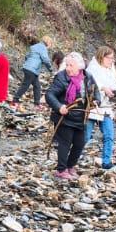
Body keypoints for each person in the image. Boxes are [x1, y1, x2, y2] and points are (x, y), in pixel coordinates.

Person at [46, 52, 98, 180]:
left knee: (80, 143)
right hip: (64, 117)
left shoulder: (87, 76)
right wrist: (59, 107)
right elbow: (50, 95)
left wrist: (96, 101)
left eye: (71, 65)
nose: (68, 68)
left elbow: (95, 91)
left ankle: (70, 166)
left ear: (79, 67)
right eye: (67, 65)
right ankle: (61, 170)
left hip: (81, 116)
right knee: (65, 143)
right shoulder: (61, 77)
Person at [85, 46, 116, 170]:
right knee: (85, 136)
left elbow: (113, 84)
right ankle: (71, 159)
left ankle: (106, 161)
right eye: (109, 58)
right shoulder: (92, 68)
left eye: (112, 58)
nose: (111, 60)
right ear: (102, 57)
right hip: (92, 107)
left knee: (109, 135)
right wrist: (103, 88)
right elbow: (88, 85)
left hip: (106, 107)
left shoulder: (112, 69)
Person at [13, 37, 54, 108]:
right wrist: (50, 69)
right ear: (48, 43)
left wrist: (28, 64)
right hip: (32, 69)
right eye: (50, 44)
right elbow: (46, 59)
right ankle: (15, 99)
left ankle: (36, 103)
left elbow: (27, 56)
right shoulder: (43, 48)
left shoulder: (34, 46)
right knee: (25, 85)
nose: (50, 46)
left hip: (28, 68)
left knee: (37, 86)